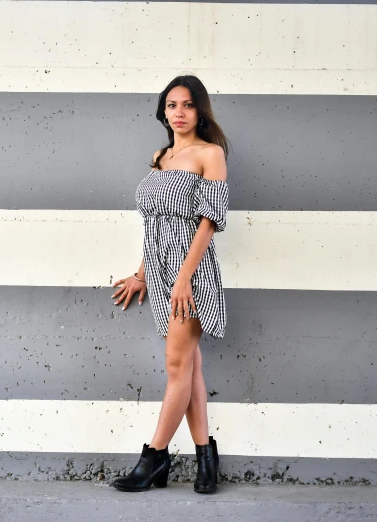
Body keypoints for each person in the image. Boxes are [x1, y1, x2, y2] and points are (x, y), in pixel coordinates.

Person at [110, 75, 229, 494]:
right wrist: (144, 273)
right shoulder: (160, 155)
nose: (179, 112)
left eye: (187, 105)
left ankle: (154, 458)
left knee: (176, 365)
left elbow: (210, 220)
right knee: (190, 365)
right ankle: (206, 462)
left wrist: (183, 278)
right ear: (164, 111)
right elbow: (156, 224)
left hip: (191, 274)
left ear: (200, 111)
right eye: (172, 105)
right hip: (161, 272)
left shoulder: (210, 154)